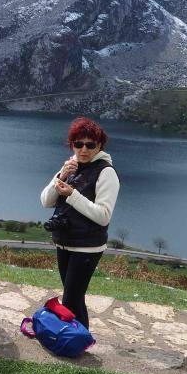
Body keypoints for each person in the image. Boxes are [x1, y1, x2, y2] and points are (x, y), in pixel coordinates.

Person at [40, 117, 120, 328]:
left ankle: (76, 341)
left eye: (90, 144)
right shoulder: (70, 167)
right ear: (72, 144)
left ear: (99, 145)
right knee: (73, 296)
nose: (83, 149)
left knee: (71, 298)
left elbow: (103, 215)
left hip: (87, 247)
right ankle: (80, 338)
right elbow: (46, 201)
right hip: (64, 242)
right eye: (78, 144)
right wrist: (62, 175)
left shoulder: (106, 173)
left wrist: (73, 194)